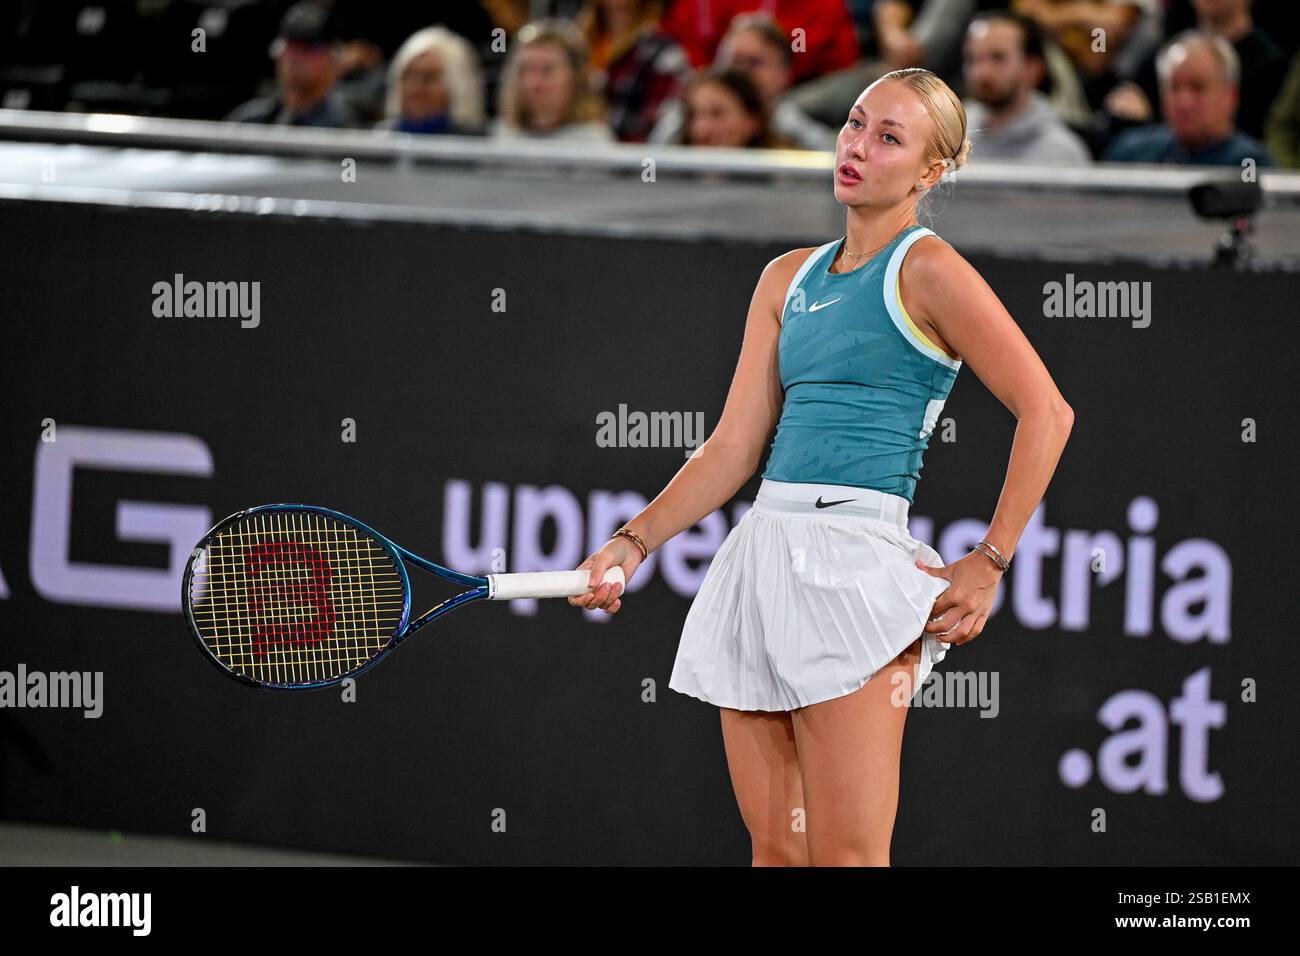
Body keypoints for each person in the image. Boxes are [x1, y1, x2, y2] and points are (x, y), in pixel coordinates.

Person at [569, 67, 1074, 865]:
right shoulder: (784, 279)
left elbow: (1048, 411)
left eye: (889, 137)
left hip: (857, 573)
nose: (857, 146)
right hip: (762, 557)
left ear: (930, 172)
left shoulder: (930, 271)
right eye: (854, 123)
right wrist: (633, 542)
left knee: (846, 859)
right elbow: (734, 448)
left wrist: (992, 558)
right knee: (777, 853)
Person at [649, 12, 837, 150]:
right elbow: (650, 160)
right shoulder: (682, 114)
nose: (741, 72)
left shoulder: (791, 123)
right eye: (734, 61)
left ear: (783, 75)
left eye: (754, 62)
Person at [1103, 29, 1274, 166]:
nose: (1184, 102)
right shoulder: (1129, 153)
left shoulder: (1249, 164)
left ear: (1230, 96)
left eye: (1198, 88)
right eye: (1174, 88)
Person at [962, 10, 1092, 165]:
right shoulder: (948, 140)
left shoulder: (1062, 153)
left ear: (1032, 68)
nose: (981, 73)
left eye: (998, 58)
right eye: (972, 58)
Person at [226, 2, 358, 128]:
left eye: (308, 49)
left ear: (333, 59)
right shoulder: (250, 121)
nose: (293, 57)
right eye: (289, 46)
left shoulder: (344, 128)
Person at [578, 0, 690, 143]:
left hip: (630, 155)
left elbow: (665, 122)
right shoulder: (577, 41)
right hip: (575, 148)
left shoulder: (662, 50)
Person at [490, 19, 616, 141]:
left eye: (547, 70)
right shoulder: (502, 136)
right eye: (525, 69)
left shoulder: (594, 143)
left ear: (576, 78)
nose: (533, 84)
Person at [376, 26, 487, 134]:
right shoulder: (377, 142)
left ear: (458, 85)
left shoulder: (479, 147)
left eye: (429, 78)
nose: (414, 88)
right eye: (408, 76)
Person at [678, 67, 797, 148]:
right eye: (693, 115)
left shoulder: (790, 176)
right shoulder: (665, 175)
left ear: (753, 120)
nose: (701, 130)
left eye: (717, 113)